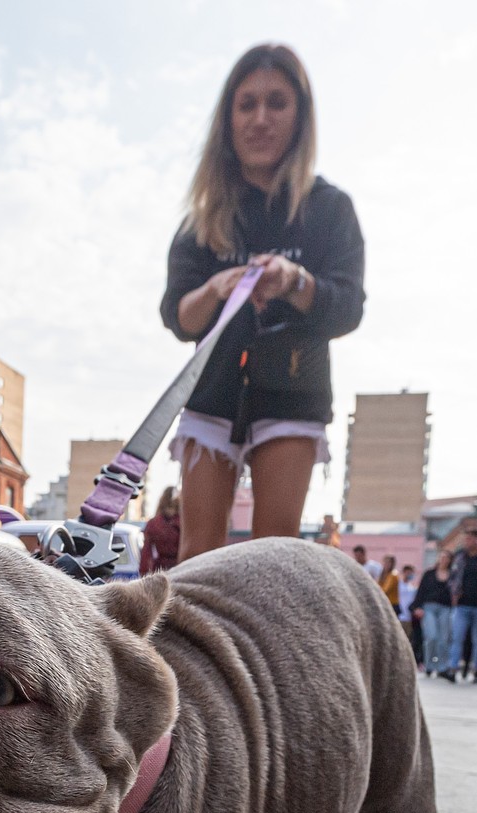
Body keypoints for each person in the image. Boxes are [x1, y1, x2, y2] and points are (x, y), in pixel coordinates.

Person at [160, 43, 364, 562]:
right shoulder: (202, 220)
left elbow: (347, 309)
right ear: (228, 118)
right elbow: (178, 317)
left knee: (273, 556)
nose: (261, 118)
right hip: (211, 391)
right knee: (197, 556)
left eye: (277, 103)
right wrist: (216, 289)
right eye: (246, 104)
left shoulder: (329, 209)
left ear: (300, 116)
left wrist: (297, 282)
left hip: (294, 389)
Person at [438, 529, 477, 684]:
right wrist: (454, 593)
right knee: (457, 637)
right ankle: (453, 669)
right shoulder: (460, 557)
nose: (466, 542)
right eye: (465, 539)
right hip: (462, 605)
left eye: (469, 539)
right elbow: (452, 577)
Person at [413, 550, 454, 676]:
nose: (443, 560)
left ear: (450, 560)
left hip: (445, 608)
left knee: (443, 638)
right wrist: (417, 606)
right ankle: (429, 665)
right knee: (431, 636)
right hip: (429, 607)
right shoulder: (429, 574)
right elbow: (421, 591)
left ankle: (442, 666)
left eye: (446, 558)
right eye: (442, 557)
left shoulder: (453, 575)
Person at [140, 486, 181, 574]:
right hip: (180, 568)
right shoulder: (183, 523)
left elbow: (146, 553)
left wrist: (143, 573)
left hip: (160, 570)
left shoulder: (153, 523)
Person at [398, 563, 423, 664]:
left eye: (411, 573)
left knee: (407, 641)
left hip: (408, 618)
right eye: (408, 572)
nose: (409, 575)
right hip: (399, 617)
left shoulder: (412, 588)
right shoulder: (398, 585)